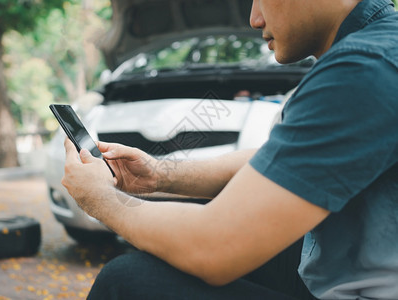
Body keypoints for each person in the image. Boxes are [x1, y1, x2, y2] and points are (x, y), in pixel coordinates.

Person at [61, 0, 398, 299]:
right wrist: (157, 176)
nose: (254, 19)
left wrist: (101, 200)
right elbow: (283, 163)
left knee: (127, 281)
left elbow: (214, 248)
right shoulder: (373, 49)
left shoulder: (364, 69)